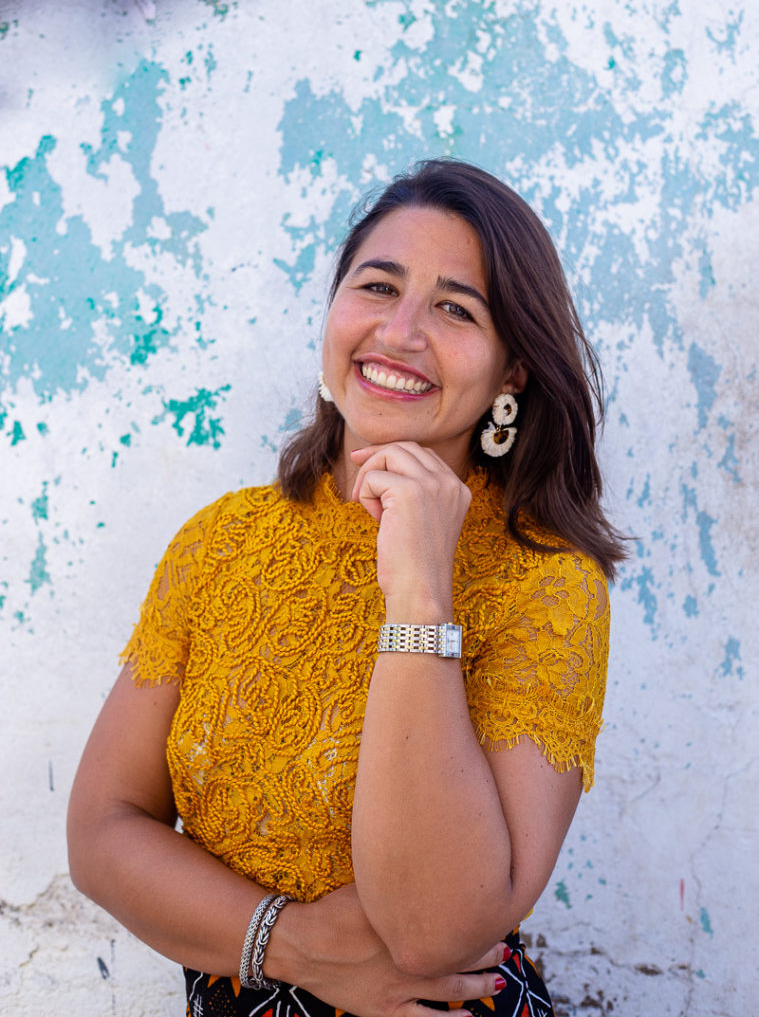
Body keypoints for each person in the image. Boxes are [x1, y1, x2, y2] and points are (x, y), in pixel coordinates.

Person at [67, 158, 626, 1017]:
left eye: (455, 309)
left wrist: (419, 593)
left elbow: (436, 933)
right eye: (377, 287)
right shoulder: (222, 541)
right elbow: (102, 831)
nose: (399, 333)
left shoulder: (547, 582)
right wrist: (296, 946)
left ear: (512, 370)